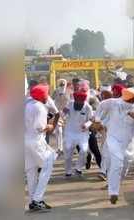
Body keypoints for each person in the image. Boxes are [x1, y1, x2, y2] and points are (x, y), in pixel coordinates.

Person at [95, 88, 134, 204]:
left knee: (124, 165)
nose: (133, 101)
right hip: (113, 139)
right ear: (126, 98)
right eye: (131, 100)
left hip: (129, 142)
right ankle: (113, 192)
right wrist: (97, 120)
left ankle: (116, 184)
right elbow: (101, 106)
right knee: (116, 164)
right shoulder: (113, 103)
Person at [25, 84, 56, 212]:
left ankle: (33, 200)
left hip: (24, 140)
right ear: (42, 96)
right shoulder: (39, 107)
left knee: (31, 171)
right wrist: (50, 126)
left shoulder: (26, 103)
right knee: (48, 163)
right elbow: (40, 128)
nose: (47, 97)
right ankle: (37, 200)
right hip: (36, 141)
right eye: (46, 94)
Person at [62, 89, 93, 177]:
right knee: (68, 151)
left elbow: (91, 119)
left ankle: (78, 168)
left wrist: (86, 125)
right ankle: (68, 171)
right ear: (75, 100)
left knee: (84, 150)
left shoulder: (88, 107)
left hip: (82, 133)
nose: (78, 104)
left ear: (83, 101)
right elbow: (63, 115)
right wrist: (63, 113)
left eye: (80, 103)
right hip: (70, 132)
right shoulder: (70, 104)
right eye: (77, 102)